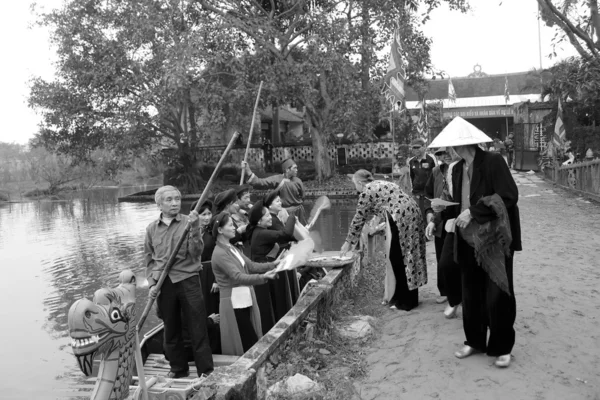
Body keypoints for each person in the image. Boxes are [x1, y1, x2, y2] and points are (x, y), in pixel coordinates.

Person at [428, 116, 521, 368]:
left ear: (463, 144)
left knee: (497, 295)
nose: (450, 150)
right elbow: (462, 202)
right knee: (471, 293)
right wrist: (445, 211)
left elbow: (509, 196)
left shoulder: (493, 162)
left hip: (494, 239)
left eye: (452, 145)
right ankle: (475, 341)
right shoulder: (457, 169)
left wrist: (474, 212)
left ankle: (502, 346)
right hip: (467, 239)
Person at [145, 185, 213, 378]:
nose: (175, 203)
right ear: (159, 204)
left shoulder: (188, 222)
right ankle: (178, 368)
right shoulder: (151, 229)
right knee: (171, 328)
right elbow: (149, 260)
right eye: (169, 200)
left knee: (197, 326)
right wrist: (152, 284)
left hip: (188, 279)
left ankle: (206, 371)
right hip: (164, 283)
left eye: (177, 199)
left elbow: (197, 252)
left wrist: (195, 227)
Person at [340, 170, 428, 311]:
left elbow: (359, 218)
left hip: (401, 218)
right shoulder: (382, 183)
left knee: (398, 258)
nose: (354, 188)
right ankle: (407, 297)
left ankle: (406, 302)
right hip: (413, 213)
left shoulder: (366, 191)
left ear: (360, 183)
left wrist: (347, 242)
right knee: (409, 255)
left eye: (354, 184)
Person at [210, 212, 279, 355]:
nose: (235, 227)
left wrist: (273, 264)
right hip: (232, 301)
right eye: (230, 225)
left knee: (250, 338)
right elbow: (238, 277)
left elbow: (251, 266)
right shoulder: (219, 253)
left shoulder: (232, 248)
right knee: (247, 340)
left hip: (244, 298)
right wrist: (263, 277)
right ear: (220, 230)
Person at [246, 199, 297, 332]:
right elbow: (286, 234)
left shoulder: (258, 231)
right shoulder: (261, 233)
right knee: (269, 307)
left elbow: (284, 237)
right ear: (258, 221)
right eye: (267, 215)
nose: (270, 218)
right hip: (264, 274)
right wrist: (291, 216)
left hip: (268, 270)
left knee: (275, 304)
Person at [424, 148, 463, 318]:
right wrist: (431, 215)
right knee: (444, 261)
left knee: (461, 262)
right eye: (439, 153)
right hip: (444, 221)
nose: (444, 155)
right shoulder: (436, 171)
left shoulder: (464, 169)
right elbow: (430, 194)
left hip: (465, 221)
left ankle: (461, 297)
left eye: (448, 151)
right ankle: (448, 294)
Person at [263, 190, 303, 303]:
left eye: (280, 201)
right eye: (277, 201)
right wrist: (291, 218)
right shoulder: (272, 220)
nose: (280, 203)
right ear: (269, 205)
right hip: (280, 258)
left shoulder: (275, 218)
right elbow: (285, 235)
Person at [241, 158, 307, 224]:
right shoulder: (276, 179)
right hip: (284, 213)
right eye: (294, 168)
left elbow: (303, 196)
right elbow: (260, 182)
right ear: (287, 170)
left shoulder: (298, 181)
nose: (297, 170)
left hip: (299, 212)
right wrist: (248, 170)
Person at [407, 138, 436, 224]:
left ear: (424, 147)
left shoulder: (431, 159)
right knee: (418, 217)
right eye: (413, 148)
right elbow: (411, 177)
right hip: (417, 194)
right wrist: (413, 192)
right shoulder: (411, 161)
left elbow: (437, 175)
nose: (416, 149)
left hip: (429, 194)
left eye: (418, 147)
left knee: (429, 216)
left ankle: (429, 235)